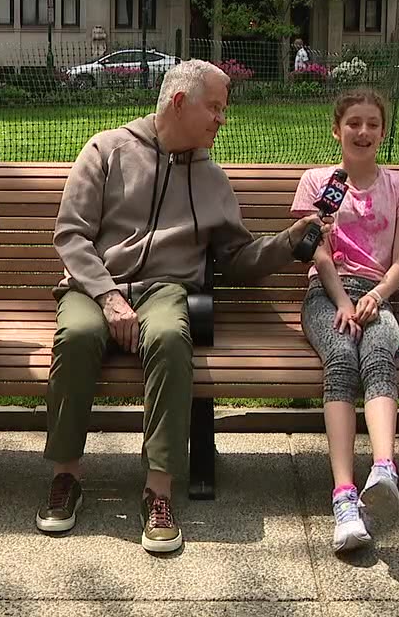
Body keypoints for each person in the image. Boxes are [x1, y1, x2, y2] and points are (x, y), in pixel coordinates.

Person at [37, 59, 330, 554]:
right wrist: (108, 296)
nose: (221, 119)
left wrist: (288, 241)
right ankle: (66, 476)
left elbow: (236, 257)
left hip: (165, 290)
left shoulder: (210, 177)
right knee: (77, 335)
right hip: (94, 286)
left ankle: (159, 491)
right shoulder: (106, 150)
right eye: (214, 107)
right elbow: (71, 234)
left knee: (172, 337)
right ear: (179, 102)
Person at [290, 89, 399, 553]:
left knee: (380, 353)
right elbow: (318, 255)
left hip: (377, 295)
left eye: (372, 124)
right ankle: (344, 498)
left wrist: (375, 297)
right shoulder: (317, 183)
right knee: (342, 358)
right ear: (337, 130)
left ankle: (384, 469)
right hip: (325, 294)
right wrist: (342, 301)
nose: (363, 132)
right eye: (353, 123)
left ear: (383, 133)